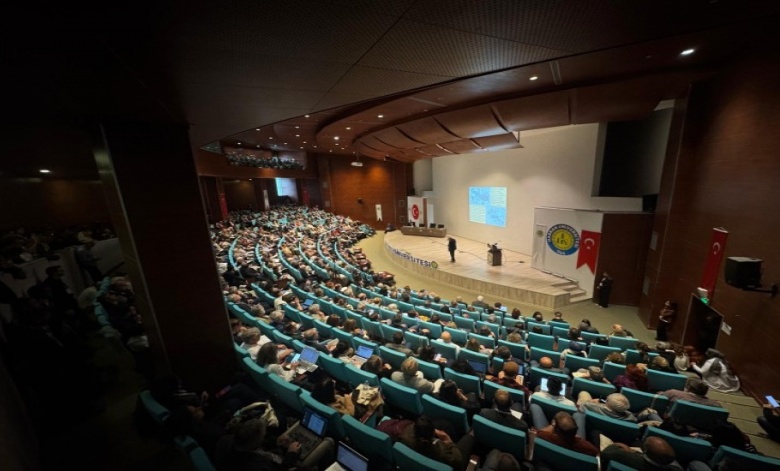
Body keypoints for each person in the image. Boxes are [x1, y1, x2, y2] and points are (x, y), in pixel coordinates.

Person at [601, 435, 684, 471]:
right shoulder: (677, 469)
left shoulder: (620, 456)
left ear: (645, 451)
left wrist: (631, 451)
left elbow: (606, 453)